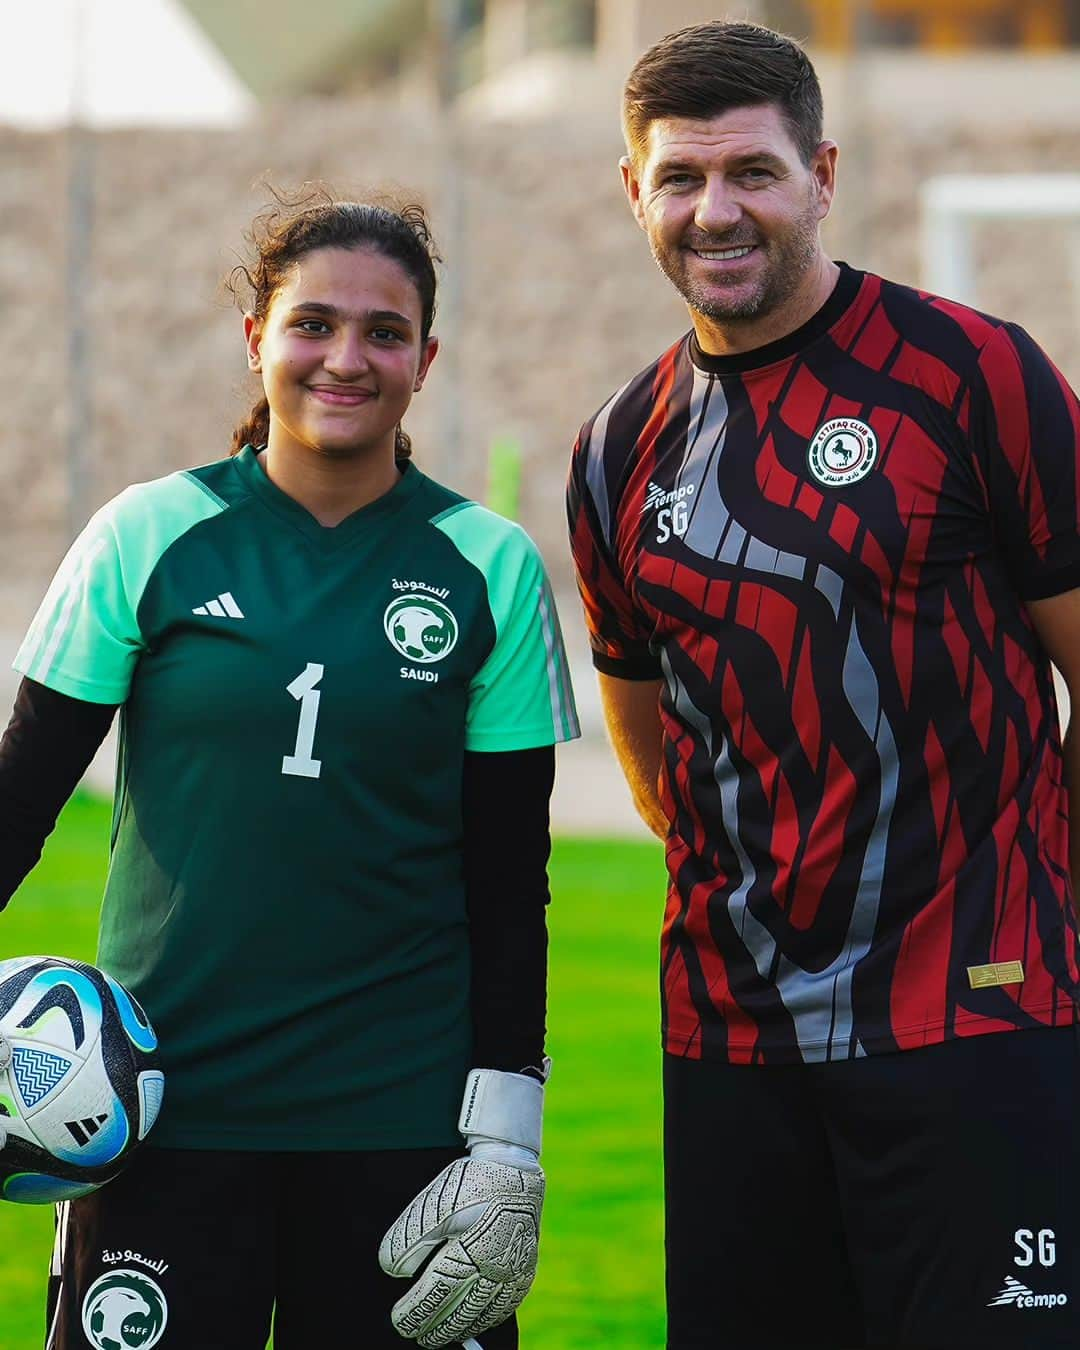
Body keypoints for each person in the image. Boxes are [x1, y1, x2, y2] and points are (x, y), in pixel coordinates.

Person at [567, 20, 1080, 1350]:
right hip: (731, 1040)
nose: (714, 210)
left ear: (823, 175)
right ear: (636, 192)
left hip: (979, 1007)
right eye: (680, 178)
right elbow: (642, 713)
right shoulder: (618, 449)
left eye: (753, 172)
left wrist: (1031, 867)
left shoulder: (975, 375)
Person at [0, 191, 579, 1350]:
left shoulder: (489, 568)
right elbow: (19, 802)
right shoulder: (146, 536)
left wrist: (509, 1136)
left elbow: (512, 878)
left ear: (428, 357)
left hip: (404, 1126)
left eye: (384, 332)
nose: (346, 359)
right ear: (257, 337)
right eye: (313, 324)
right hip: (158, 1111)